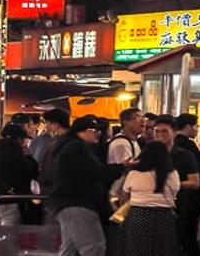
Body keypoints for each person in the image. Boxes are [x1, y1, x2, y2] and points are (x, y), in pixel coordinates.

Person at [48, 114, 126, 256]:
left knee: (69, 249)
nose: (98, 134)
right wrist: (121, 167)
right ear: (83, 130)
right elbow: (95, 171)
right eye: (95, 130)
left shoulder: (67, 145)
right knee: (93, 247)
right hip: (78, 203)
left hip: (67, 204)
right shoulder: (76, 147)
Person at [120, 140, 181, 256]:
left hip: (138, 215)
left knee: (137, 250)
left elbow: (125, 196)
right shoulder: (172, 174)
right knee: (162, 250)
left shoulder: (134, 173)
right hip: (164, 216)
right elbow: (175, 192)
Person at [153, 115, 200, 256]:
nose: (159, 135)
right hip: (151, 206)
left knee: (172, 245)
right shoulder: (148, 153)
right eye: (157, 131)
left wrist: (171, 185)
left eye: (164, 131)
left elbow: (195, 182)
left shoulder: (185, 155)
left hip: (177, 207)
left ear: (174, 132)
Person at [0, 123, 39, 226]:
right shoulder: (15, 153)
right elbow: (31, 171)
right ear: (18, 138)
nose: (24, 142)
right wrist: (28, 157)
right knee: (11, 235)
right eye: (23, 139)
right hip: (12, 201)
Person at [33, 107, 70, 172]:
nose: (46, 125)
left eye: (47, 122)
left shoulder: (67, 142)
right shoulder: (58, 139)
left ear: (56, 124)